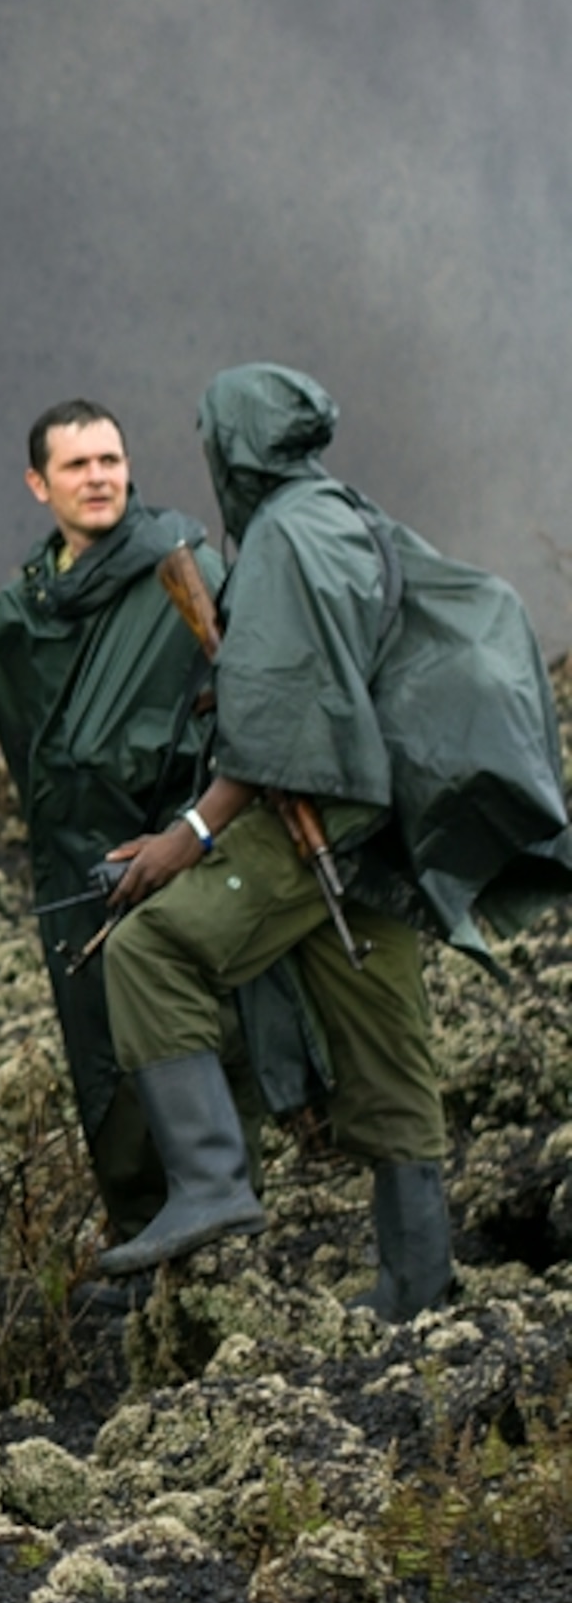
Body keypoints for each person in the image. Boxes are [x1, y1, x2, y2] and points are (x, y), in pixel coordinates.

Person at [95, 365, 572, 1317]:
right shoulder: (349, 516)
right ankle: (418, 1292)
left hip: (322, 814)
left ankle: (210, 1184)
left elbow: (286, 715)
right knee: (385, 1038)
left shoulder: (281, 538)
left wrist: (188, 834)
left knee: (151, 949)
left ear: (233, 448)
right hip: (375, 834)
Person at [0, 399, 312, 1245]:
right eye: (78, 465)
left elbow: (250, 705)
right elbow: (33, 762)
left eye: (110, 461)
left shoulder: (182, 567)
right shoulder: (13, 624)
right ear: (37, 482)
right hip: (77, 869)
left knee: (206, 1031)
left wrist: (191, 827)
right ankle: (140, 1247)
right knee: (103, 1064)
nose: (98, 479)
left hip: (182, 848)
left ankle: (227, 1242)